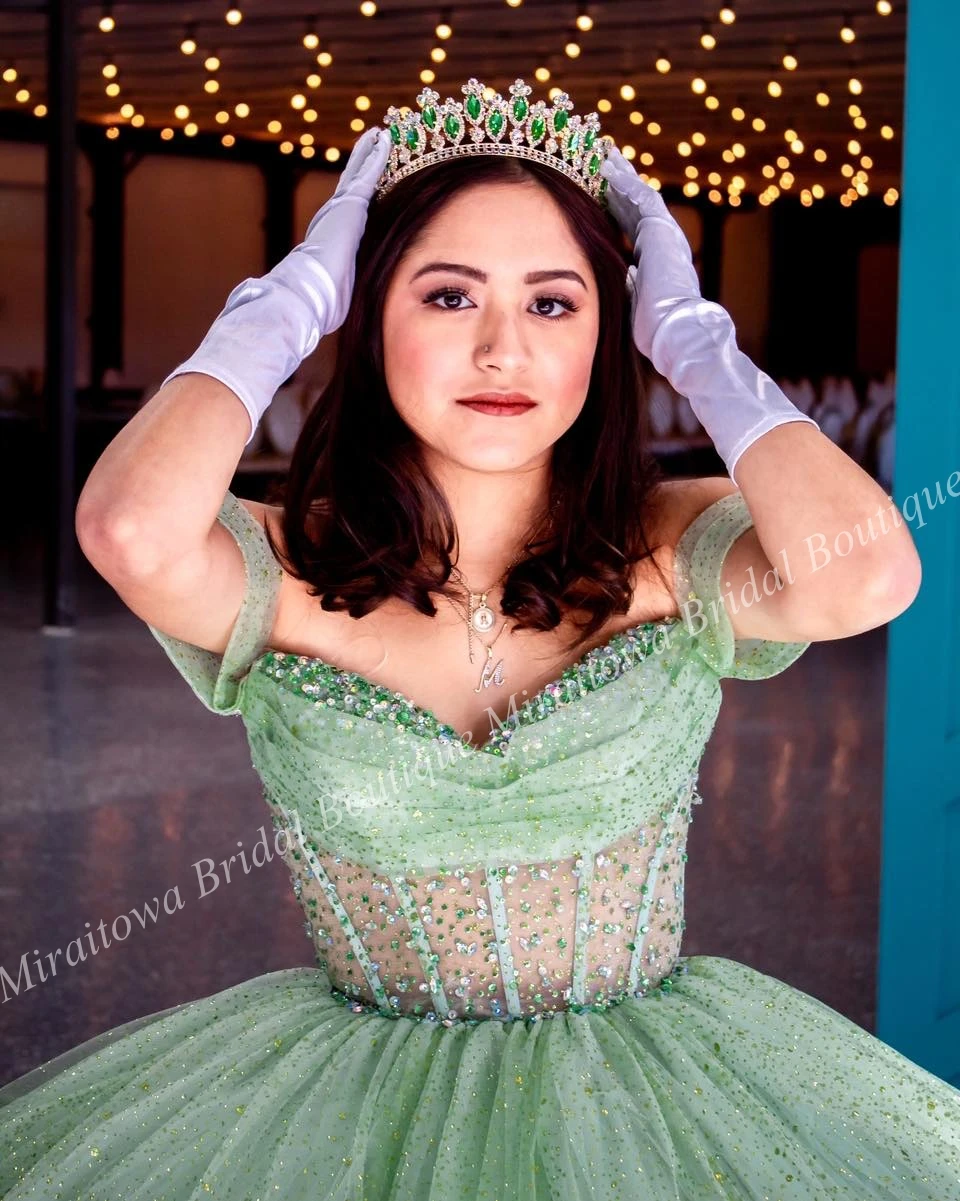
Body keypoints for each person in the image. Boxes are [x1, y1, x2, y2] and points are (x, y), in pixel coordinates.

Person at [2, 75, 957, 1200]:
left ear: (613, 330)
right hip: (336, 1120)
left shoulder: (668, 542)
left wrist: (695, 342)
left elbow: (872, 574)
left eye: (555, 303)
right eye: (449, 297)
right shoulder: (284, 566)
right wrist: (285, 302)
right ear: (367, 314)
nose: (504, 349)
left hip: (655, 1112)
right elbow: (126, 527)